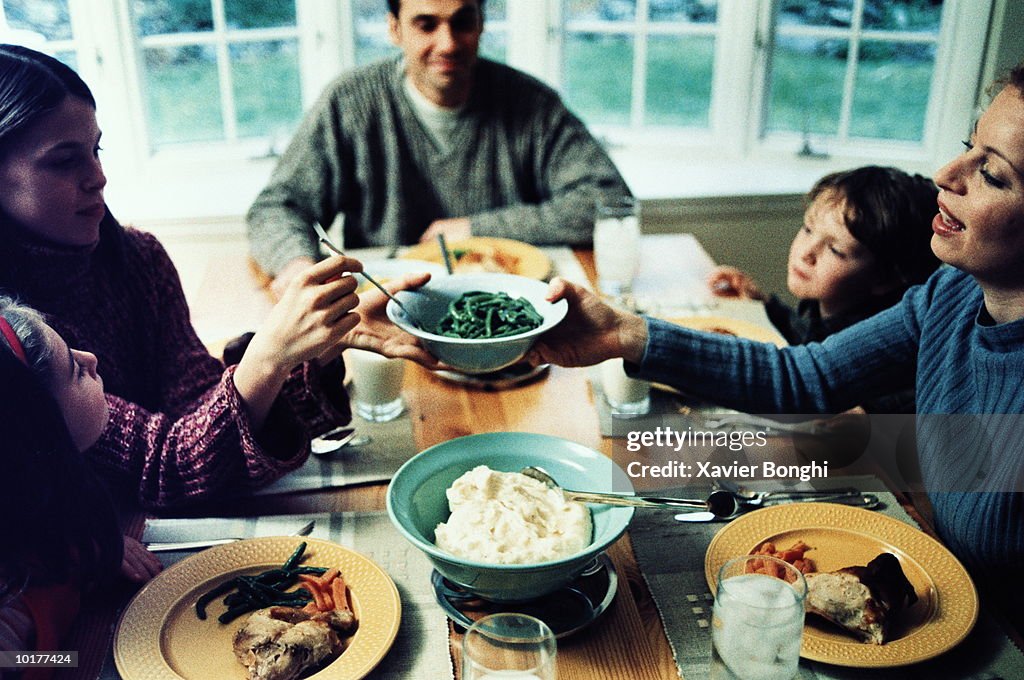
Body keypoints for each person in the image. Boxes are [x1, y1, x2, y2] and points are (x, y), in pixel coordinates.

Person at [529, 64, 1024, 628]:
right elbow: (805, 378)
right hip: (940, 593)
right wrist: (623, 333)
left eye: (992, 173)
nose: (946, 174)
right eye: (967, 146)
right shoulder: (951, 292)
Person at [0, 44, 435, 511]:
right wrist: (270, 353)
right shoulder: (13, 335)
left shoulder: (138, 257)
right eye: (65, 160)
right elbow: (166, 467)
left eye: (96, 149)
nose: (98, 176)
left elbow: (201, 406)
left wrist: (313, 349)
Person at [247, 0, 632, 298]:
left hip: (512, 306)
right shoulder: (349, 103)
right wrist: (298, 266)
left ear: (481, 24)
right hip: (391, 311)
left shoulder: (533, 103)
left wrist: (472, 230)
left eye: (462, 22)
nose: (447, 44)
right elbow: (277, 207)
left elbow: (608, 202)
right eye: (426, 24)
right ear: (394, 28)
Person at [0, 297, 162, 670]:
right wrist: (78, 660)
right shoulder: (8, 611)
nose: (90, 357)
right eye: (74, 370)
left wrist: (93, 550)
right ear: (40, 435)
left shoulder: (34, 506)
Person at [707, 166, 940, 412]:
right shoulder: (829, 306)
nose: (806, 253)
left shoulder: (879, 343)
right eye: (808, 229)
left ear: (886, 280)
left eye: (835, 250)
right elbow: (806, 339)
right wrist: (763, 303)